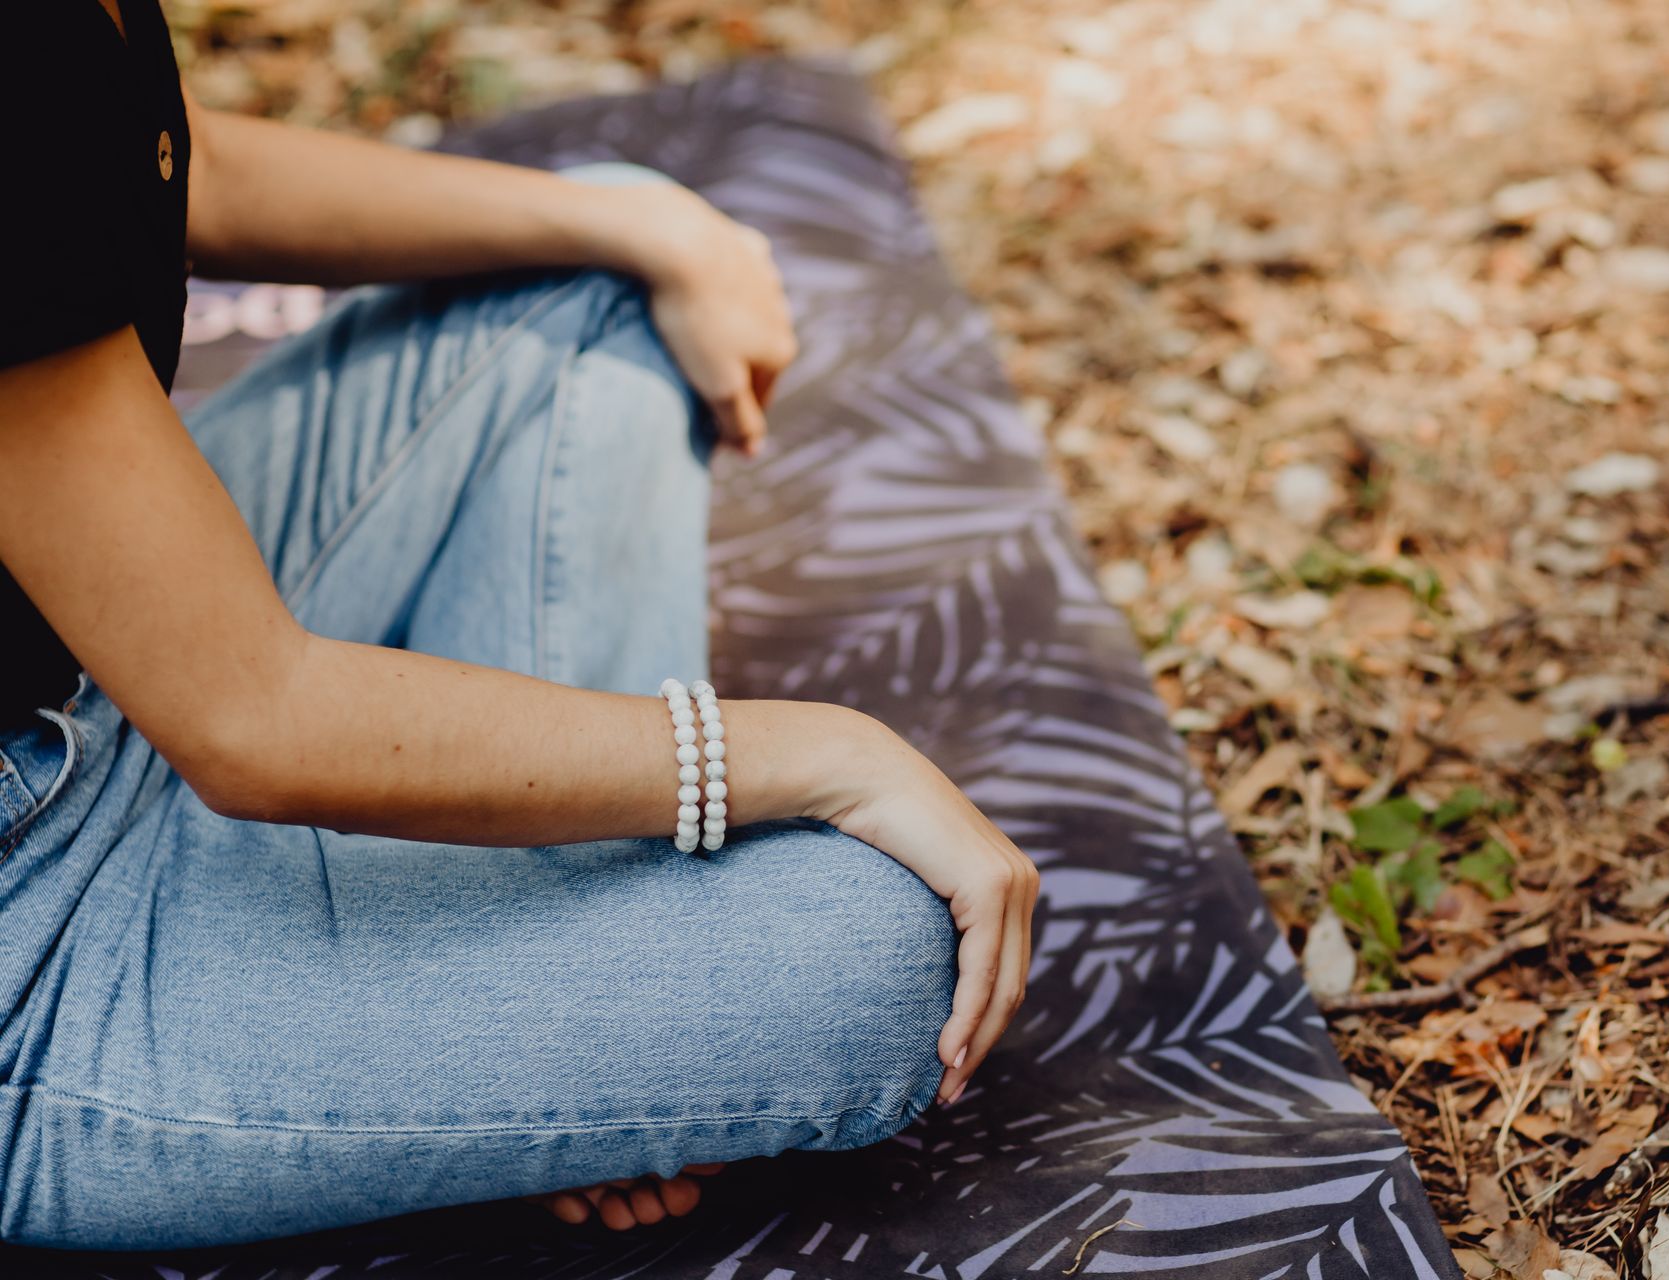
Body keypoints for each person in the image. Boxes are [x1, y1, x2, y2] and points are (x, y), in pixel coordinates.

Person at [0, 0, 1037, 1252]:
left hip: (106, 651)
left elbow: (176, 160)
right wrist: (821, 751)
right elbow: (254, 719)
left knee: (607, 266)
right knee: (888, 951)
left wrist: (645, 220)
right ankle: (535, 1019)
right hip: (37, 932)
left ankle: (531, 1001)